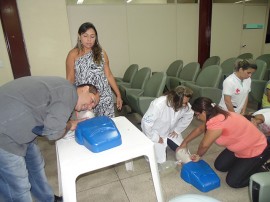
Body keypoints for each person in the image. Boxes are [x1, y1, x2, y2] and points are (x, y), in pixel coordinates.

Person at [0, 76, 100, 202]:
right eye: (92, 100)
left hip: (20, 127)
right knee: (17, 187)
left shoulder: (65, 88)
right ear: (85, 89)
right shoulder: (69, 93)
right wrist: (69, 125)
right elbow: (53, 133)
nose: (90, 107)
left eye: (93, 106)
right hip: (4, 133)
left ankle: (47, 199)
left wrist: (70, 122)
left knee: (36, 164)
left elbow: (53, 117)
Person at [177, 97, 270, 188]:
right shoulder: (217, 114)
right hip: (240, 146)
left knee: (233, 182)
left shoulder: (218, 123)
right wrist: (185, 142)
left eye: (197, 114)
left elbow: (204, 145)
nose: (197, 117)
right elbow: (199, 129)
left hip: (257, 149)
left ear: (204, 112)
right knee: (220, 166)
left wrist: (198, 155)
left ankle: (262, 171)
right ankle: (243, 163)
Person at [66, 22, 122, 118]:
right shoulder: (73, 54)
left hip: (104, 96)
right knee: (89, 126)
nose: (89, 40)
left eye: (92, 36)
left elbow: (108, 75)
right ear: (79, 37)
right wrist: (69, 100)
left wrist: (118, 95)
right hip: (85, 100)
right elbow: (70, 79)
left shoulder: (101, 53)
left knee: (106, 126)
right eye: (85, 36)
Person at [141, 86, 194, 164]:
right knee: (159, 161)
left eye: (186, 102)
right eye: (183, 103)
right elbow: (146, 123)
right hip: (156, 132)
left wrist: (177, 130)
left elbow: (189, 115)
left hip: (170, 131)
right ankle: (157, 145)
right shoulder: (159, 104)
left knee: (185, 155)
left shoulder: (185, 104)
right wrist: (155, 137)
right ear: (174, 99)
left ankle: (169, 142)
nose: (185, 105)